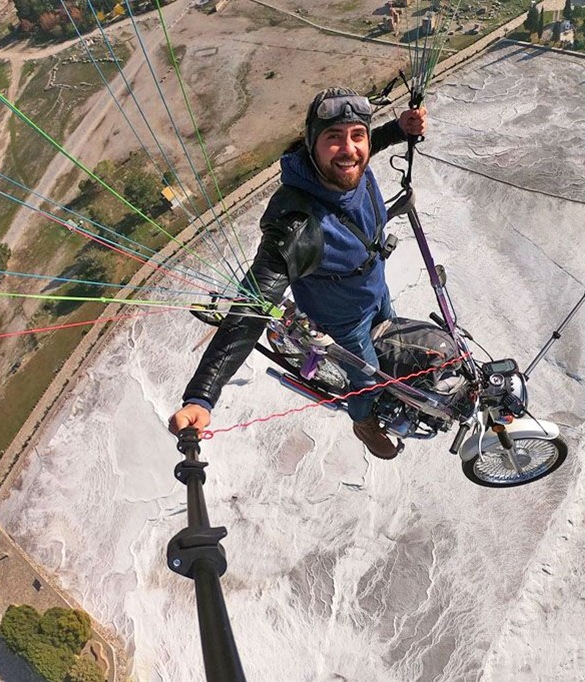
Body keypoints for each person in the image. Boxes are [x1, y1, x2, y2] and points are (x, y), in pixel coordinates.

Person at [169, 87, 427, 459]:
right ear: (312, 144)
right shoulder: (297, 225)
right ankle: (364, 421)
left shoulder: (346, 170)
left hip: (374, 291)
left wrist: (399, 129)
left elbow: (363, 150)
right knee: (367, 376)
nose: (349, 149)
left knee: (392, 336)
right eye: (333, 138)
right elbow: (251, 308)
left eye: (358, 135)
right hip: (342, 320)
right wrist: (201, 396)